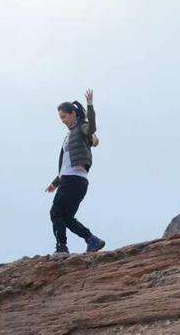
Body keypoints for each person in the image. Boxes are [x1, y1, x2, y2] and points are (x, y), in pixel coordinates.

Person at [45, 89, 105, 254]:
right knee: (67, 217)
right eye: (60, 118)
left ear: (73, 114)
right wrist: (54, 183)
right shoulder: (70, 135)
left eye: (64, 116)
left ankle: (61, 248)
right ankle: (92, 240)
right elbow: (66, 165)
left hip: (72, 181)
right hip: (75, 181)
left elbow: (92, 128)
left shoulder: (81, 128)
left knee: (56, 213)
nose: (62, 121)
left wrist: (90, 105)